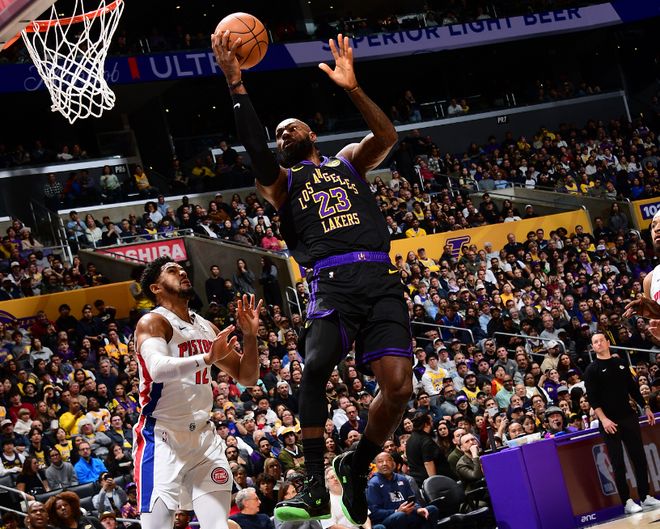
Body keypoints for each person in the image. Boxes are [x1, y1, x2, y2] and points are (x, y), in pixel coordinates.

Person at [213, 33, 412, 525]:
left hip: (381, 276)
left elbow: (387, 137)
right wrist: (236, 84)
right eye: (279, 133)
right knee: (316, 367)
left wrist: (352, 88)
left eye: (292, 127)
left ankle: (356, 466)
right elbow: (256, 148)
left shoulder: (348, 161)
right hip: (332, 281)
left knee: (399, 390)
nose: (284, 134)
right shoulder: (281, 184)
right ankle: (314, 485)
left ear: (312, 134)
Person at [134, 255, 261, 529]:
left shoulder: (205, 326)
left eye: (183, 269)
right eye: (172, 270)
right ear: (156, 288)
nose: (182, 272)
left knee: (218, 526)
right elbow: (157, 368)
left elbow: (247, 377)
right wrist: (207, 358)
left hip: (204, 440)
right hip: (163, 437)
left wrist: (250, 336)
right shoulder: (153, 322)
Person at [583, 333, 660, 515]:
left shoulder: (621, 363)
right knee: (618, 463)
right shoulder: (591, 370)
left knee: (639, 458)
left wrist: (646, 407)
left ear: (608, 342)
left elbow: (632, 388)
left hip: (628, 417)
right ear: (593, 347)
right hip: (609, 421)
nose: (598, 344)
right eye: (595, 342)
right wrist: (603, 419)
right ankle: (626, 501)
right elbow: (593, 398)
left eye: (601, 340)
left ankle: (645, 496)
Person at [367, 452, 438, 529]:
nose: (385, 464)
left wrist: (418, 509)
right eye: (380, 461)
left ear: (393, 463)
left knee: (432, 510)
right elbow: (374, 513)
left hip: (407, 514)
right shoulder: (373, 484)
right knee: (400, 516)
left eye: (388, 460)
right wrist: (396, 511)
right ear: (376, 465)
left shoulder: (402, 479)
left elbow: (413, 501)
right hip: (387, 519)